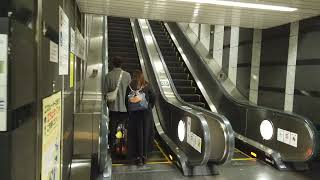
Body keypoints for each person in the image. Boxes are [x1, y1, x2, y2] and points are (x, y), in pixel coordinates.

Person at [125, 70, 155, 166]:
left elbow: (126, 101)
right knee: (145, 134)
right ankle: (144, 157)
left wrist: (130, 111)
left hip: (134, 115)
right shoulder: (147, 85)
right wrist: (149, 107)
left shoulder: (130, 86)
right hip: (146, 115)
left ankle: (137, 157)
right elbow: (154, 96)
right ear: (142, 76)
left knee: (136, 135)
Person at [105, 56, 131, 151]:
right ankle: (124, 145)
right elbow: (130, 91)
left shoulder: (108, 76)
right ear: (121, 64)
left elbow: (106, 92)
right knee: (125, 127)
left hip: (113, 107)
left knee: (112, 127)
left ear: (112, 64)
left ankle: (112, 145)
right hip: (125, 107)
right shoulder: (127, 75)